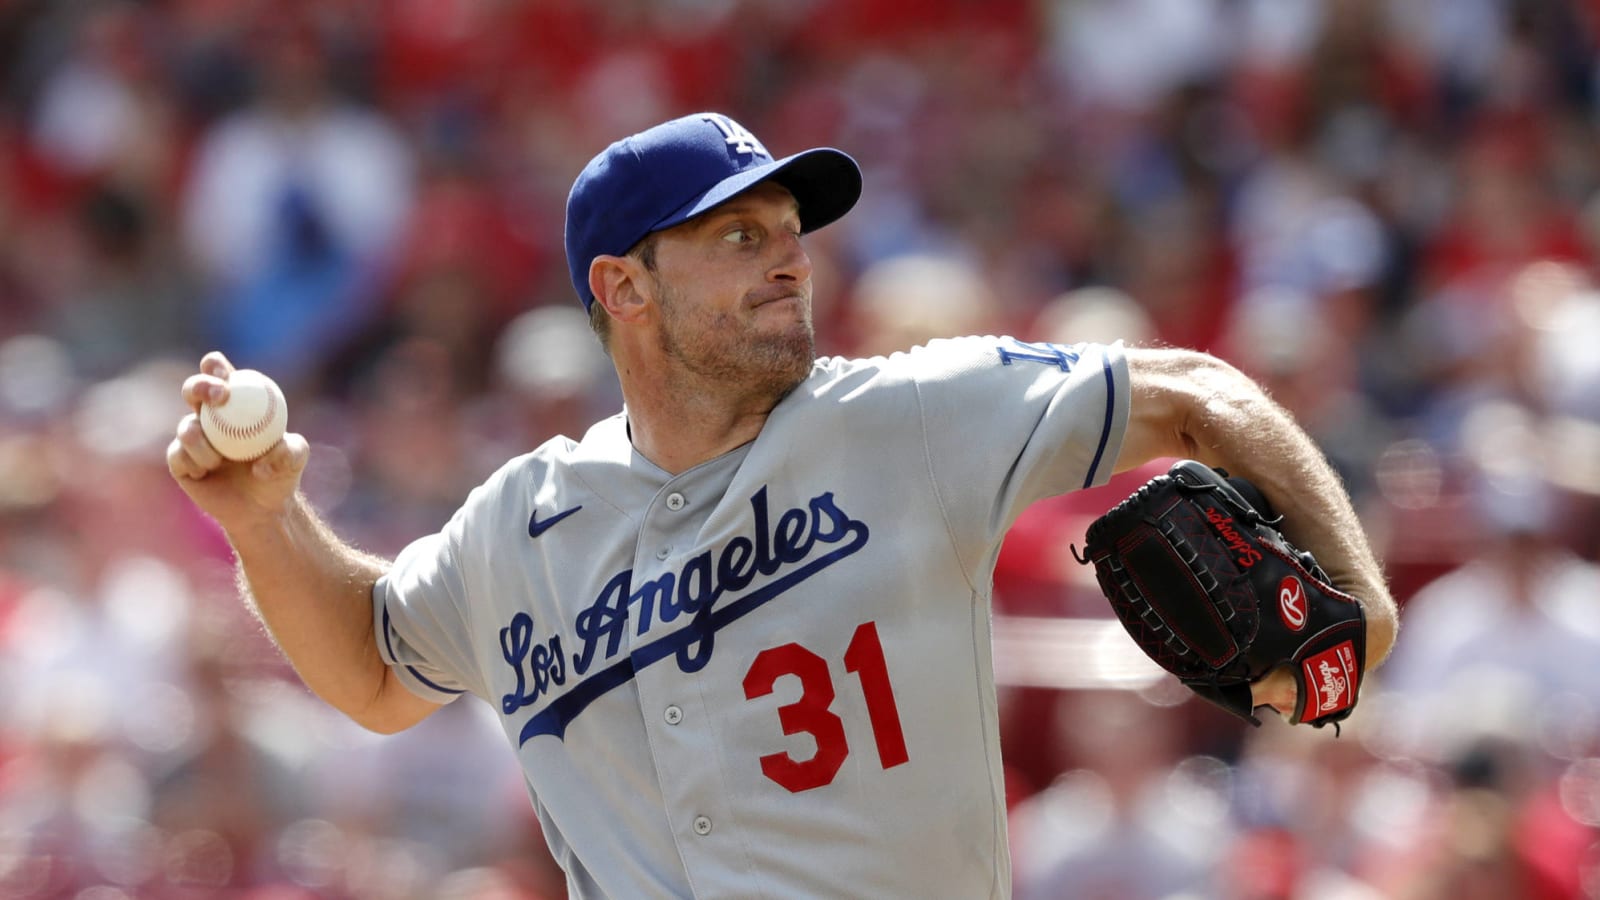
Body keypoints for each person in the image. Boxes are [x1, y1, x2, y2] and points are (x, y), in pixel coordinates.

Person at [167, 111, 1398, 898]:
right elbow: (377, 671)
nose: (789, 253)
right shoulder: (520, 523)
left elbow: (1193, 391)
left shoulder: (906, 415)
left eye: (790, 228)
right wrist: (265, 518)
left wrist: (1366, 608)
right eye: (737, 232)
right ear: (623, 286)